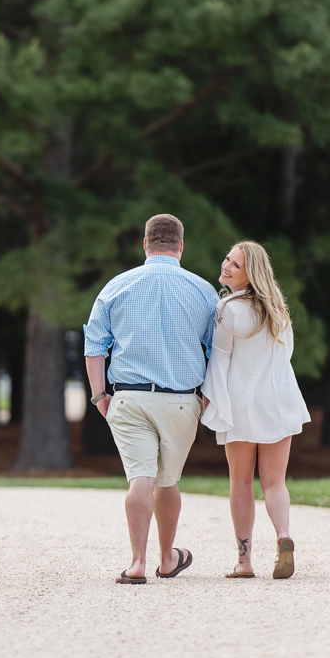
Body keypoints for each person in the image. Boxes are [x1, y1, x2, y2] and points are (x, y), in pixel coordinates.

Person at [83, 214, 218, 584]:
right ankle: (167, 559)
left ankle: (137, 563)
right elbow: (218, 351)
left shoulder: (115, 287)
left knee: (139, 478)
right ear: (180, 246)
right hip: (181, 401)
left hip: (129, 399)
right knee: (168, 482)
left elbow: (94, 346)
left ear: (145, 244)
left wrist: (99, 397)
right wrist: (206, 398)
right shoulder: (203, 291)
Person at [200, 241, 310, 580]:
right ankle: (283, 535)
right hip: (279, 401)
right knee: (275, 482)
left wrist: (206, 404)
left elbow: (218, 363)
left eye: (235, 264)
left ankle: (245, 561)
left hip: (242, 404)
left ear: (251, 274)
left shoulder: (228, 309)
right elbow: (285, 354)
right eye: (228, 259)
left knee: (241, 481)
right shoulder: (278, 309)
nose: (227, 266)